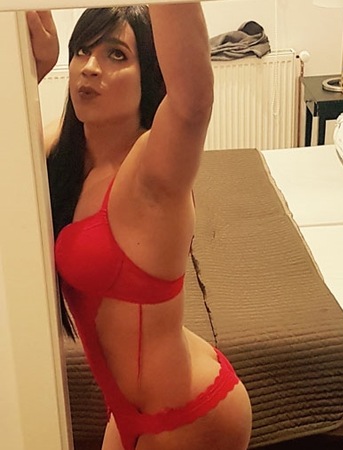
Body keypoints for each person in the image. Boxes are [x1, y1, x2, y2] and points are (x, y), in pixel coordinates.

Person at [26, 4, 252, 450]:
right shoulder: (65, 149)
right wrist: (32, 71)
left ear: (149, 74)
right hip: (127, 412)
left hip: (188, 414)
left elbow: (192, 101)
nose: (91, 67)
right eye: (82, 50)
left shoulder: (151, 171)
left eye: (116, 55)